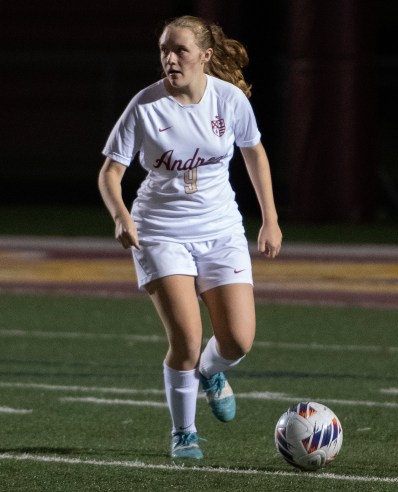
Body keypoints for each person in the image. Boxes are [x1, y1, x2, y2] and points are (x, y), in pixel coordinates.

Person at [98, 14, 282, 460]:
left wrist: (270, 218)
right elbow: (110, 173)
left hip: (221, 230)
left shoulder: (230, 100)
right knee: (186, 339)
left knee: (237, 340)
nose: (170, 58)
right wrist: (122, 215)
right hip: (160, 233)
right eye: (164, 49)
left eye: (180, 49)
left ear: (206, 55)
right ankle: (185, 433)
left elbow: (254, 153)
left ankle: (213, 372)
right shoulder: (145, 106)